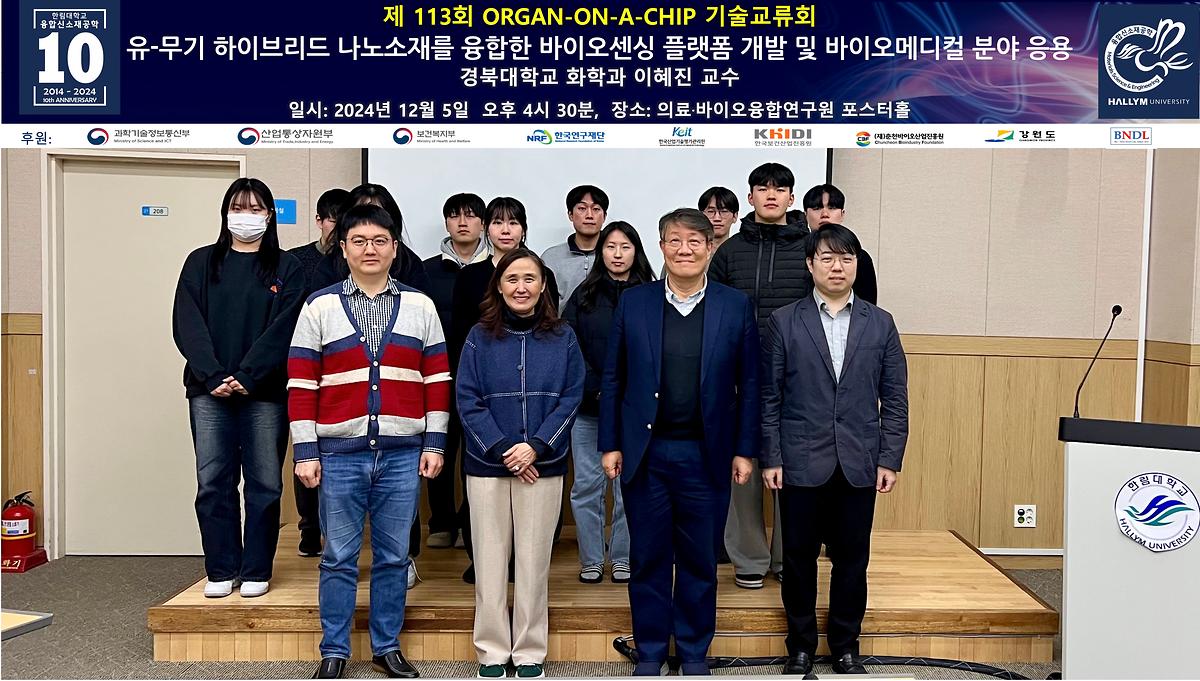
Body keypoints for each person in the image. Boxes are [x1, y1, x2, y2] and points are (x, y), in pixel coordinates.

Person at [289, 203, 451, 679]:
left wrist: (435, 443)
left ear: (394, 248)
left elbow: (436, 379)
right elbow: (301, 383)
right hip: (338, 454)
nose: (370, 249)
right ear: (343, 249)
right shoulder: (319, 306)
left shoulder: (421, 305)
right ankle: (334, 650)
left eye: (380, 241)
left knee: (394, 557)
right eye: (359, 241)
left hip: (403, 454)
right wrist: (305, 450)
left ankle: (386, 646)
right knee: (338, 557)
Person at [600, 208, 760, 676]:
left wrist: (745, 449)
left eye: (694, 241)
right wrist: (610, 443)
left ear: (710, 247)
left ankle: (692, 652)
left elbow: (751, 383)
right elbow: (614, 377)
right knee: (647, 557)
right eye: (675, 240)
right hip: (646, 454)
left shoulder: (735, 305)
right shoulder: (635, 302)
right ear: (661, 247)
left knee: (699, 560)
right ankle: (651, 652)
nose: (684, 249)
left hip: (707, 454)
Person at [761, 224, 908, 677]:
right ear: (810, 265)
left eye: (846, 257)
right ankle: (801, 647)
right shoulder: (784, 321)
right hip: (800, 459)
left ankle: (846, 646)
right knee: (798, 560)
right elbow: (769, 397)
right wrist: (772, 456)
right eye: (827, 258)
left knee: (852, 560)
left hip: (859, 459)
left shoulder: (880, 323)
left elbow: (895, 398)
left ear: (857, 264)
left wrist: (889, 458)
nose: (837, 266)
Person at [172, 177, 305, 599]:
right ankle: (221, 568)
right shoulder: (201, 262)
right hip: (207, 390)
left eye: (254, 208)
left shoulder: (288, 267)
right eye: (237, 207)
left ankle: (256, 569)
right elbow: (187, 323)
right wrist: (213, 375)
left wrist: (248, 375)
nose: (245, 216)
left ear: (270, 215)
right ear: (225, 213)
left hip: (264, 392)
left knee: (265, 484)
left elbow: (286, 329)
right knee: (213, 482)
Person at [456, 248, 584, 680]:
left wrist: (535, 447)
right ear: (498, 286)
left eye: (529, 278)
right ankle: (492, 651)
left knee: (533, 563)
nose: (521, 287)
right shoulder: (479, 336)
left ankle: (529, 651)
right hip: (487, 465)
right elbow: (467, 399)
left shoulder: (563, 336)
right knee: (490, 562)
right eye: (512, 279)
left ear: (543, 285)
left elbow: (571, 397)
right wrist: (505, 449)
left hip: (541, 465)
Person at [448, 197, 559, 583]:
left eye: (513, 222)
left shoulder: (543, 274)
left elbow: (550, 332)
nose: (506, 229)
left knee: (534, 507)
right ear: (487, 228)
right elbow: (458, 337)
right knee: (481, 487)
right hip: (483, 394)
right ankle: (483, 561)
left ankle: (525, 567)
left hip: (534, 401)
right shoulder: (470, 277)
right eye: (497, 222)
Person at [561, 221, 654, 584]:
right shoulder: (583, 295)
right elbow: (569, 347)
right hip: (589, 407)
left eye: (625, 247)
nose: (617, 254)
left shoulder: (651, 295)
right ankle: (591, 559)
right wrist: (598, 387)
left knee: (629, 486)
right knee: (587, 486)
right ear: (601, 252)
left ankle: (623, 557)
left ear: (636, 252)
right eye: (610, 247)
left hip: (635, 411)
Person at [421, 192, 490, 549]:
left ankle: (470, 523)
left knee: (478, 451)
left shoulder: (497, 269)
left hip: (482, 377)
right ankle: (442, 522)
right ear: (446, 222)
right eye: (454, 215)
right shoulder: (427, 270)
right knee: (440, 447)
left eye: (471, 215)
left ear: (483, 223)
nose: (463, 222)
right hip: (438, 373)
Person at [287, 186, 349, 558]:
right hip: (309, 365)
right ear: (319, 221)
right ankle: (309, 527)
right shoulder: (297, 261)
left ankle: (339, 532)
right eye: (332, 221)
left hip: (347, 371)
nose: (337, 229)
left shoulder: (352, 261)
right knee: (307, 450)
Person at [312, 183, 432, 294]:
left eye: (378, 215)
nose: (370, 223)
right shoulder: (328, 266)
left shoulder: (410, 263)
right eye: (361, 215)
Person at [799, 184, 878, 304]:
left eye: (832, 207)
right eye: (817, 208)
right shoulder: (793, 253)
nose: (825, 214)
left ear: (842, 214)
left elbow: (867, 306)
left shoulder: (859, 257)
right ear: (805, 215)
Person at [541, 184, 608, 306]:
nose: (589, 215)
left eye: (596, 209)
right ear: (570, 215)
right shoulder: (551, 257)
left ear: (604, 216)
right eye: (582, 208)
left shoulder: (615, 256)